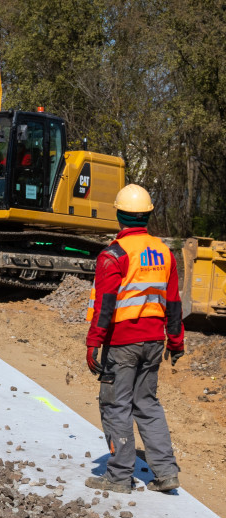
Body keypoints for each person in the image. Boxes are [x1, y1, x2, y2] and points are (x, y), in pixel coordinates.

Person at [84, 183, 184, 494]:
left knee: (116, 406)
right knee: (148, 404)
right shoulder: (164, 252)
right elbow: (174, 302)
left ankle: (118, 476)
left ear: (119, 215)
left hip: (122, 343)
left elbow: (106, 304)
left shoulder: (114, 254)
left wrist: (93, 343)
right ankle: (166, 473)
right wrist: (176, 341)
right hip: (154, 342)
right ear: (148, 215)